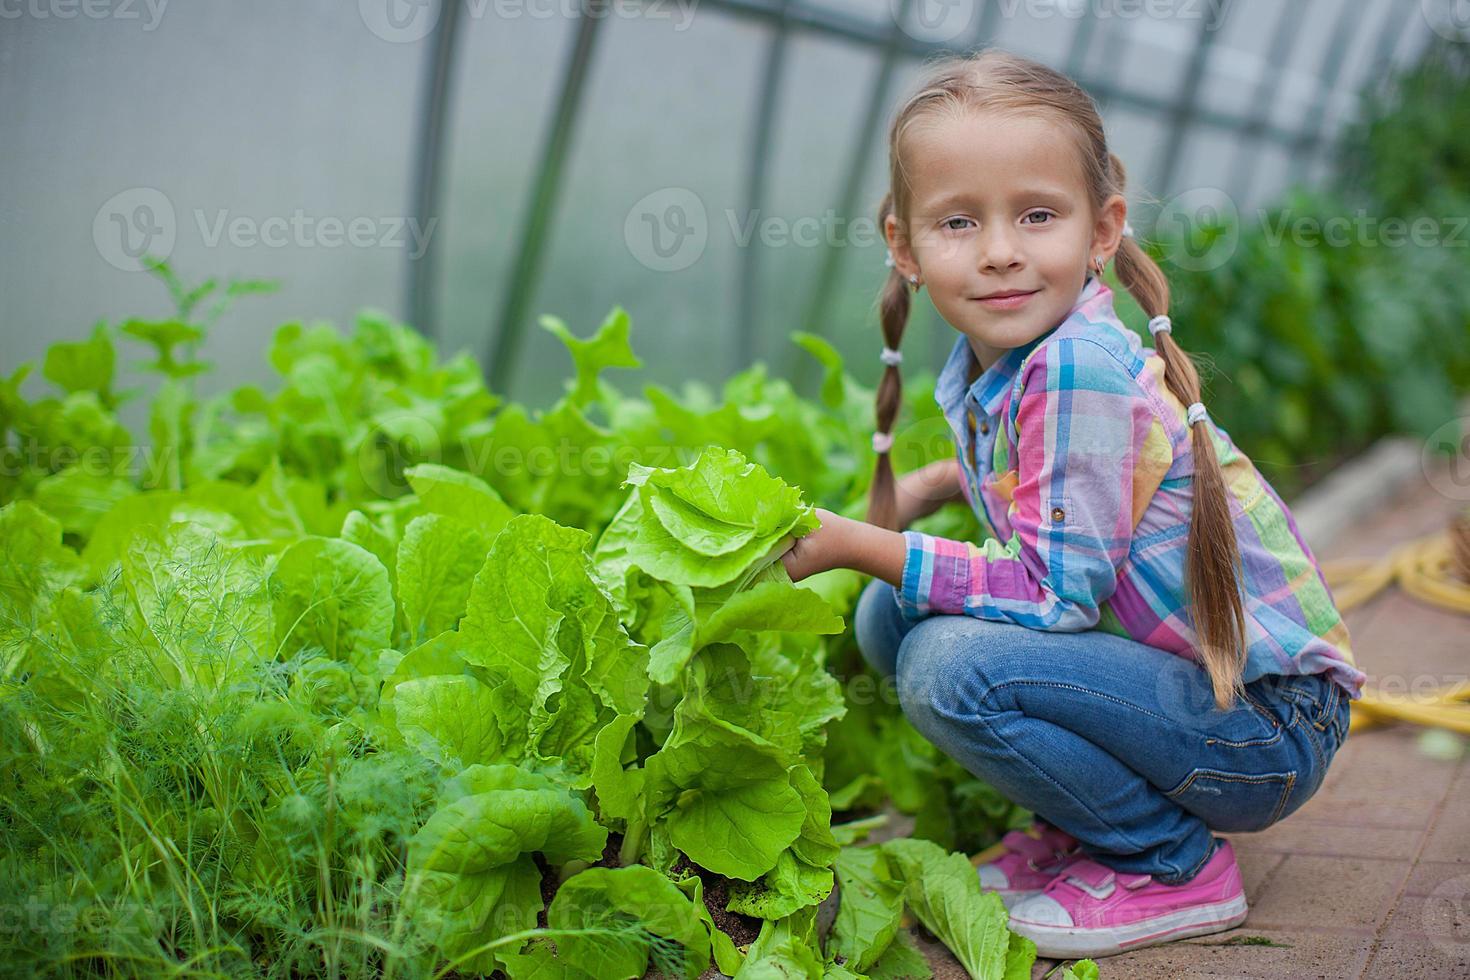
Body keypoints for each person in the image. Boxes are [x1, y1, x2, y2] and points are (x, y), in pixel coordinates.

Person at [778, 48, 1366, 960]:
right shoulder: (1017, 361)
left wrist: (859, 541)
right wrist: (936, 485)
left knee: (944, 663)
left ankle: (1169, 863)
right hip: (1214, 704)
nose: (1001, 249)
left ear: (1102, 231)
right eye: (959, 221)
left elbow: (1052, 594)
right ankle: (1090, 823)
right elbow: (1047, 504)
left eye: (1038, 214)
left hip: (1266, 729)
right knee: (892, 616)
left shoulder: (1078, 369)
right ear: (905, 245)